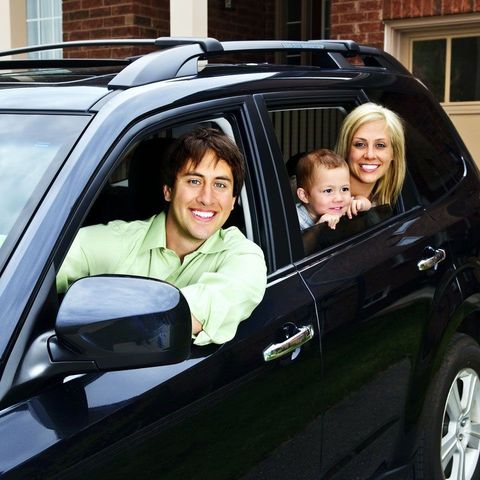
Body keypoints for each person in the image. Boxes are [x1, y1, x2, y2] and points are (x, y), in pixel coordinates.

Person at [57, 127, 267, 346]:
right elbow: (34, 273)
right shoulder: (115, 240)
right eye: (194, 181)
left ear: (233, 201)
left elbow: (190, 312)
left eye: (220, 185)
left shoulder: (244, 256)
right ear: (168, 190)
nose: (207, 198)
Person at [335, 102, 406, 206]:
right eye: (360, 144)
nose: (370, 155)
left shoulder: (380, 205)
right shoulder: (320, 206)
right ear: (346, 148)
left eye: (380, 145)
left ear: (394, 153)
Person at [295, 149, 371, 230]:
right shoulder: (295, 219)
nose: (339, 198)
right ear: (305, 196)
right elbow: (303, 242)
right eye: (328, 191)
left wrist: (360, 203)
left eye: (344, 189)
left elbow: (368, 205)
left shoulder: (341, 206)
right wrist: (319, 228)